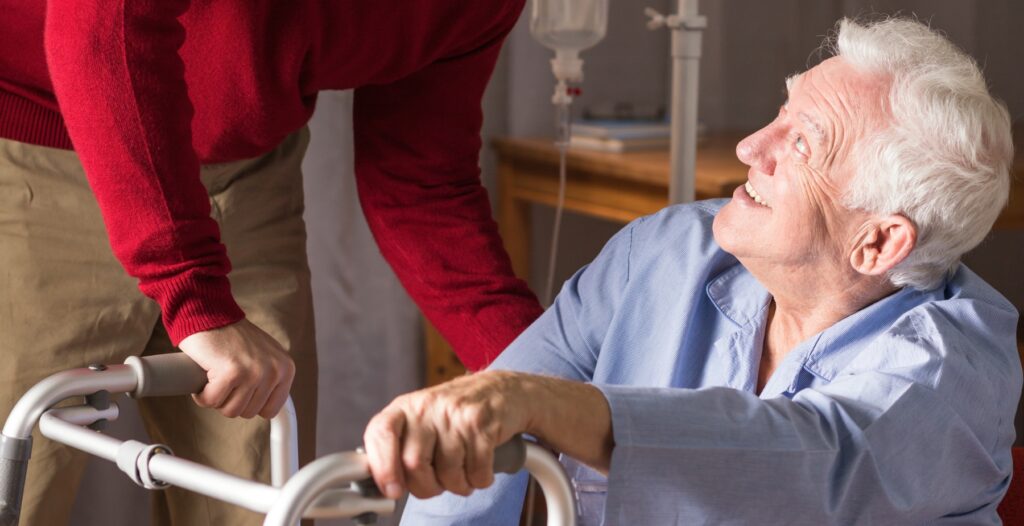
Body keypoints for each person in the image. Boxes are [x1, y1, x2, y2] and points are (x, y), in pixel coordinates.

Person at [363, 17, 1020, 524]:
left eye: (800, 143)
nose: (748, 147)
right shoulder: (666, 251)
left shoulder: (950, 370)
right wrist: (492, 411)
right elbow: (483, 435)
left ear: (876, 243)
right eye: (780, 114)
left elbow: (803, 464)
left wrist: (539, 403)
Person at [0, 0, 541, 524]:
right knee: (19, 484)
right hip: (40, 145)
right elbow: (99, 28)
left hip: (245, 178)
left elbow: (423, 180)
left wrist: (545, 385)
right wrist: (191, 290)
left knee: (262, 500)